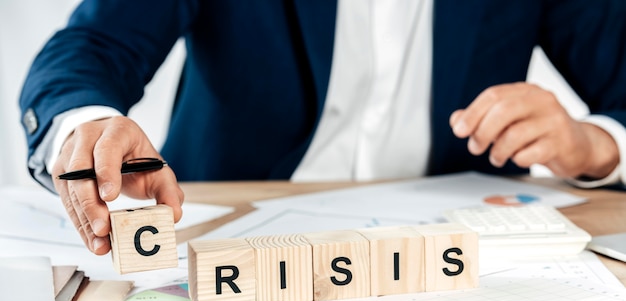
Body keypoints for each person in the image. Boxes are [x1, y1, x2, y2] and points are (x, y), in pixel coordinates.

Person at [19, 0, 626, 256]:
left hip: (461, 259)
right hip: (221, 245)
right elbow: (91, 47)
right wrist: (88, 125)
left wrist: (596, 145)